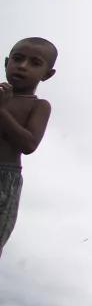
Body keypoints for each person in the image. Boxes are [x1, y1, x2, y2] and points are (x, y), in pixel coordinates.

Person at [0, 37, 57, 259]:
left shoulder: (39, 106)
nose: (23, 66)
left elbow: (29, 144)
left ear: (47, 74)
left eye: (35, 63)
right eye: (18, 59)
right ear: (7, 62)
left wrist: (2, 112)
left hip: (5, 179)